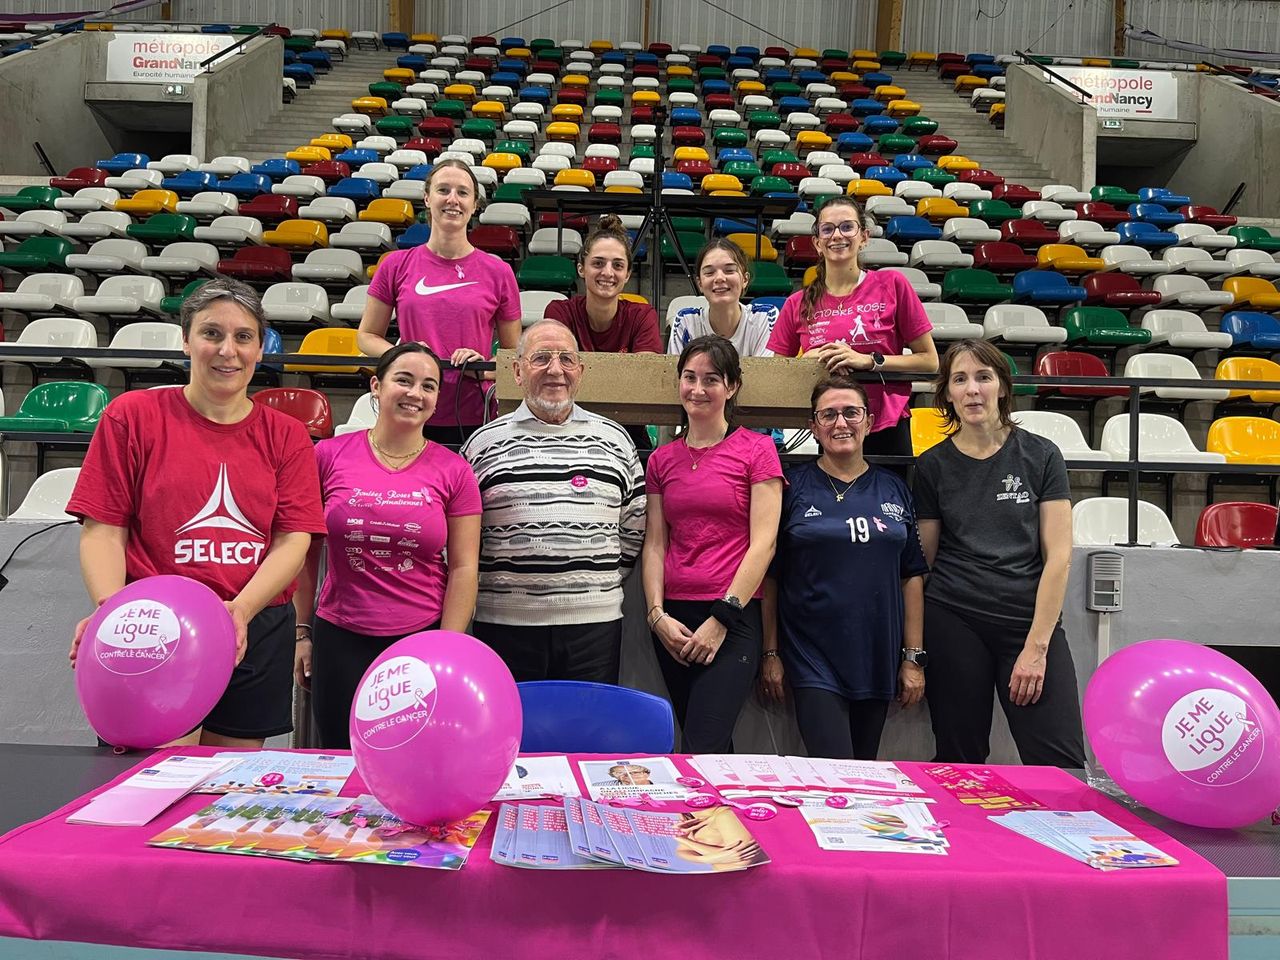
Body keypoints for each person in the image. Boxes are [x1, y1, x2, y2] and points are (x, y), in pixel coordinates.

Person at [66, 278, 325, 747]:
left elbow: (293, 540)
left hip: (256, 622)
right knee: (151, 788)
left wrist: (239, 612)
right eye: (212, 333)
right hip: (157, 629)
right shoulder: (132, 416)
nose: (228, 350)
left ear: (260, 348)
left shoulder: (287, 435)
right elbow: (103, 531)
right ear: (185, 340)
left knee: (227, 796)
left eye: (243, 337)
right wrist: (114, 615)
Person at [292, 342, 482, 749]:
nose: (416, 393)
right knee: (341, 760)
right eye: (404, 380)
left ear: (436, 402)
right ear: (376, 387)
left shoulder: (455, 471)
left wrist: (447, 647)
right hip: (340, 637)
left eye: (428, 386)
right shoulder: (328, 455)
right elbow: (304, 554)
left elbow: (465, 567)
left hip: (421, 637)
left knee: (410, 757)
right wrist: (302, 632)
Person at [913, 339, 1085, 768]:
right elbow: (923, 563)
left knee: (1060, 762)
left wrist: (1037, 648)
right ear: (947, 394)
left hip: (1027, 623)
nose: (973, 390)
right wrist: (912, 650)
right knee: (959, 757)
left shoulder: (1041, 455)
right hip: (954, 619)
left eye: (983, 378)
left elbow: (1059, 556)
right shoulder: (932, 466)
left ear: (1002, 387)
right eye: (960, 379)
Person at [461, 319, 645, 684]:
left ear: (581, 370)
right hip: (504, 624)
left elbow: (634, 526)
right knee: (513, 737)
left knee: (587, 736)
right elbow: (464, 537)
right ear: (516, 370)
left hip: (594, 625)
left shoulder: (616, 440)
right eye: (541, 358)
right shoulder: (481, 446)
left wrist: (588, 583)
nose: (555, 369)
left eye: (566, 359)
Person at [761, 376, 929, 760]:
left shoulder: (894, 488)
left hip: (877, 655)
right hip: (811, 653)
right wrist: (770, 653)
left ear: (869, 422)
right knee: (833, 767)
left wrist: (912, 656)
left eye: (851, 412)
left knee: (863, 770)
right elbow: (770, 578)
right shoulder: (792, 488)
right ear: (813, 426)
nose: (841, 423)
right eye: (829, 414)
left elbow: (911, 577)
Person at [643, 335, 783, 753]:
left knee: (701, 744)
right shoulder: (661, 459)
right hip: (674, 622)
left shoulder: (757, 450)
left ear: (732, 387)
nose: (698, 389)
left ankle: (702, 818)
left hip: (732, 617)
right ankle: (719, 819)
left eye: (711, 379)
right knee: (708, 746)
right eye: (689, 377)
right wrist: (655, 616)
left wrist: (722, 618)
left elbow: (765, 543)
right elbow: (655, 544)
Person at [357, 158, 522, 443]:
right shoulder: (395, 264)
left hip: (472, 413)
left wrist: (482, 368)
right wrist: (404, 354)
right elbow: (367, 336)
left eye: (462, 192)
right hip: (409, 406)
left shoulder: (498, 272)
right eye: (443, 190)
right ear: (427, 198)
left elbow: (512, 357)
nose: (452, 200)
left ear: (474, 205)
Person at [765, 195, 939, 460]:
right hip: (832, 425)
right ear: (817, 243)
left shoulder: (892, 284)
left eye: (847, 227)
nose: (837, 235)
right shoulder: (797, 303)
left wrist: (869, 361)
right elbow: (778, 375)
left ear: (864, 237)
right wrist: (809, 363)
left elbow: (929, 362)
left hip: (887, 424)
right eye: (828, 229)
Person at [544, 213, 663, 354]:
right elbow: (556, 369)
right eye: (598, 263)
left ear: (627, 275)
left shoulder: (642, 317)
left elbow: (646, 373)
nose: (607, 272)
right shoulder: (560, 313)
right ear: (581, 269)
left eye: (618, 265)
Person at [668, 239, 778, 357]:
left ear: (745, 279)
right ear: (699, 283)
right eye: (709, 272)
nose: (719, 278)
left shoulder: (764, 317)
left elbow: (766, 374)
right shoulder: (686, 321)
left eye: (729, 270)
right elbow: (677, 374)